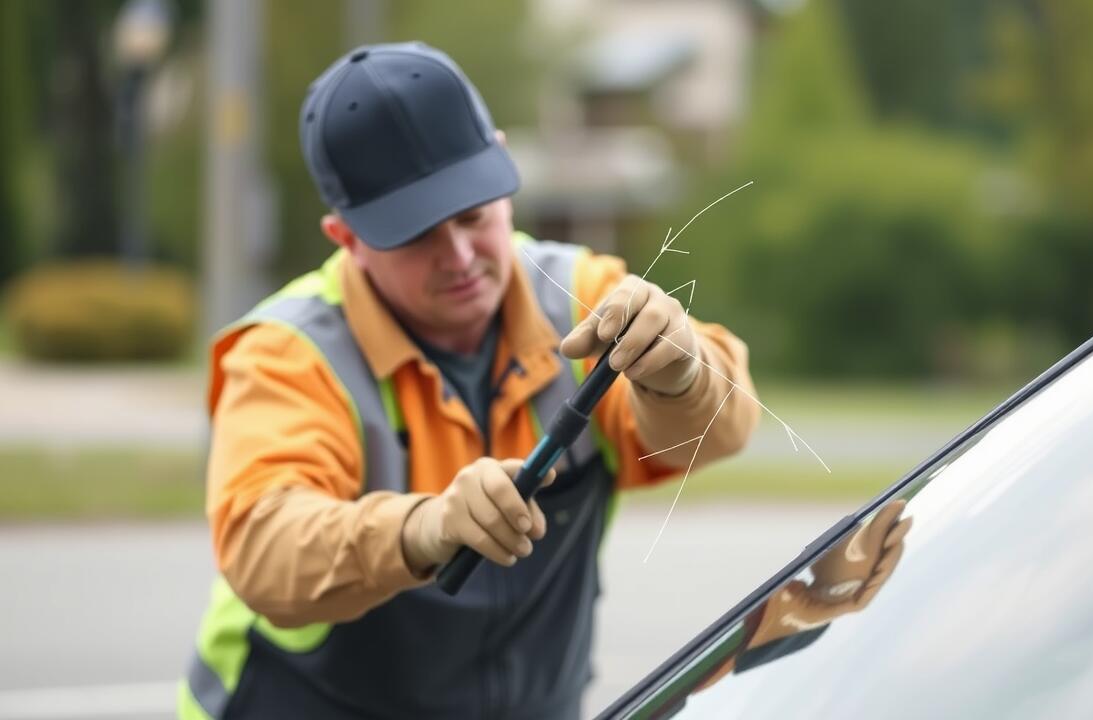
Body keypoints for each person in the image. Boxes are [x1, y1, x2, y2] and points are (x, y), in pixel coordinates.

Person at [178, 41, 759, 720]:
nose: (457, 256)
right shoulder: (290, 352)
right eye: (416, 235)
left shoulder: (581, 295)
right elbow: (265, 548)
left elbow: (720, 432)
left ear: (504, 166)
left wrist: (682, 373)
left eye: (473, 215)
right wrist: (425, 528)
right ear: (345, 237)